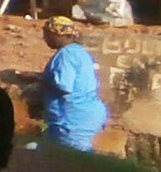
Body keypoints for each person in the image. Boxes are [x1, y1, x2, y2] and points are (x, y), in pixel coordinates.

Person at [35, 18, 109, 152]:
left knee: (71, 162)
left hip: (72, 119)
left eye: (47, 34)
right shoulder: (79, 51)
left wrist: (37, 79)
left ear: (59, 34)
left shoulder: (66, 54)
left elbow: (64, 86)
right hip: (85, 114)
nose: (45, 38)